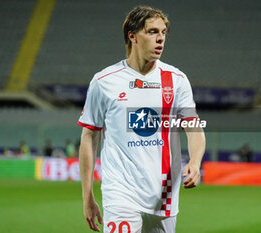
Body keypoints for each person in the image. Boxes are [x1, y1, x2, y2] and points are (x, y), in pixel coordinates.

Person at [78, 6, 206, 233]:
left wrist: (195, 162)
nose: (161, 39)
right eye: (153, 32)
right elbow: (89, 137)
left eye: (164, 33)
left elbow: (193, 128)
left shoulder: (176, 80)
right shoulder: (104, 81)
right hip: (120, 192)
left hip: (164, 196)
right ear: (132, 35)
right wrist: (87, 196)